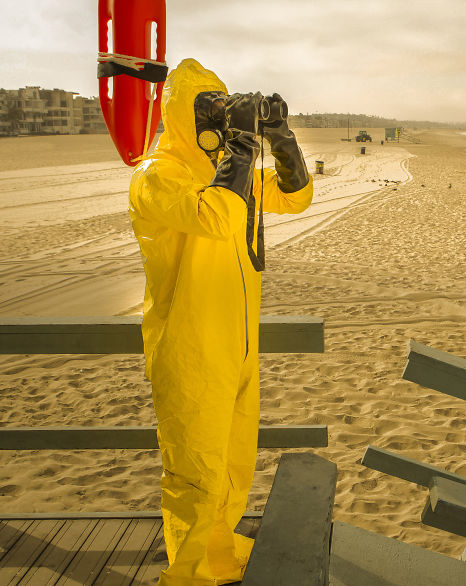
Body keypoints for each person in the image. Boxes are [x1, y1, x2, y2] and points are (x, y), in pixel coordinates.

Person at [128, 58, 313, 585]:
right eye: (207, 111)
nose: (217, 121)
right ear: (181, 116)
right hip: (189, 344)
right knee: (194, 470)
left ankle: (218, 557)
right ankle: (187, 575)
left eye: (221, 109)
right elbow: (215, 215)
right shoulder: (155, 176)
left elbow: (296, 197)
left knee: (232, 464)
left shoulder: (224, 173)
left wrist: (281, 138)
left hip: (238, 342)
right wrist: (240, 149)